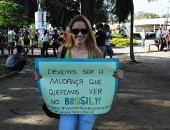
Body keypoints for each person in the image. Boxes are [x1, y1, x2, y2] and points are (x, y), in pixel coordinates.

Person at [35, 15, 123, 130]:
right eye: (76, 30)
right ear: (71, 32)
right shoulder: (63, 51)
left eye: (84, 30)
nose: (80, 34)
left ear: (88, 32)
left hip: (90, 104)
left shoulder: (96, 53)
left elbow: (103, 76)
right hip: (67, 103)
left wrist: (115, 74)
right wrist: (42, 75)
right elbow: (55, 74)